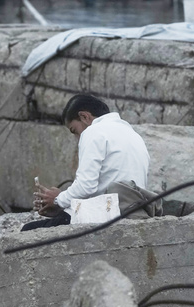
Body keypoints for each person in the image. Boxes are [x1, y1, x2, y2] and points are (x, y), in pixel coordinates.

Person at [24, 94, 152, 231]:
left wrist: (57, 199)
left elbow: (86, 187)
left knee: (27, 231)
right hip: (133, 210)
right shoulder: (133, 134)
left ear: (84, 117)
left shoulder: (94, 131)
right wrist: (61, 206)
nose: (78, 139)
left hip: (107, 216)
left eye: (75, 131)